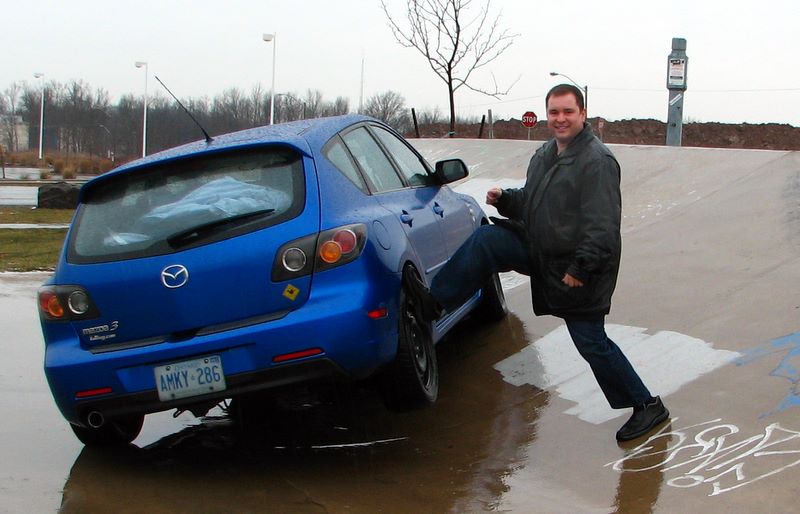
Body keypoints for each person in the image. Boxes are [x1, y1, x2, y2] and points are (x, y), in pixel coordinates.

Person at [405, 83, 669, 442]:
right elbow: (535, 202)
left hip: (578, 266)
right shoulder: (546, 154)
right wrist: (506, 200)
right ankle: (433, 304)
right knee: (488, 240)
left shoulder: (597, 162)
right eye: (554, 112)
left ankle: (647, 406)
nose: (560, 119)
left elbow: (603, 227)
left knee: (590, 341)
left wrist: (580, 269)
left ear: (582, 114)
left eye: (568, 112)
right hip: (542, 251)